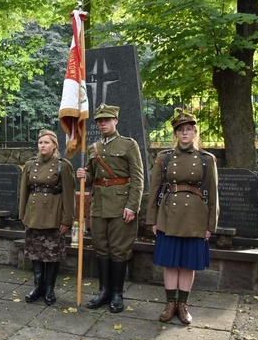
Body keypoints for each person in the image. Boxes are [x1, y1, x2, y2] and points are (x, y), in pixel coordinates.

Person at [146, 110, 219, 324]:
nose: (184, 133)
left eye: (188, 129)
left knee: (187, 263)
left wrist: (210, 224)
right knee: (170, 263)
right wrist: (153, 220)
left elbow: (213, 194)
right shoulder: (164, 157)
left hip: (196, 217)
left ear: (195, 132)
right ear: (176, 134)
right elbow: (154, 190)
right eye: (180, 130)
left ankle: (183, 305)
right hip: (169, 216)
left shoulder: (207, 159)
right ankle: (170, 304)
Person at [76, 103, 144, 313]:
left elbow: (138, 178)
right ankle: (103, 291)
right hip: (98, 206)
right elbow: (92, 178)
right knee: (101, 248)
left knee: (118, 250)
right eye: (99, 120)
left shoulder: (128, 145)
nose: (103, 123)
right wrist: (83, 176)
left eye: (107, 119)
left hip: (121, 204)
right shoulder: (93, 147)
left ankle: (117, 294)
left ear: (115, 121)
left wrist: (132, 206)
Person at [18, 129, 75, 305]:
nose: (42, 145)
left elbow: (68, 194)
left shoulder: (63, 165)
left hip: (53, 215)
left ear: (55, 145)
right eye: (40, 142)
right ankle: (38, 286)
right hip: (34, 215)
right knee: (35, 253)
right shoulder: (30, 165)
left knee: (52, 254)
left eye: (46, 142)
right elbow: (24, 191)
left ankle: (49, 288)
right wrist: (22, 215)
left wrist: (67, 219)